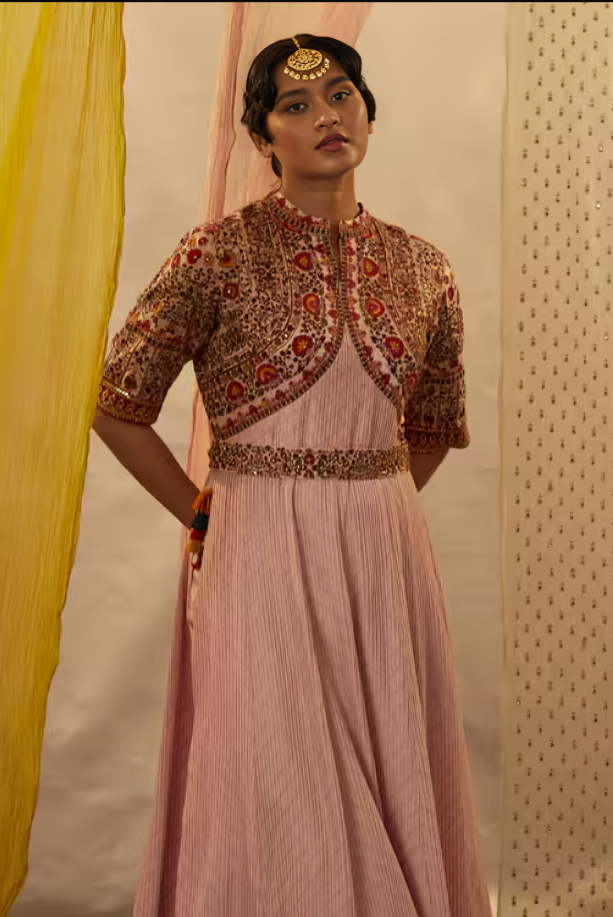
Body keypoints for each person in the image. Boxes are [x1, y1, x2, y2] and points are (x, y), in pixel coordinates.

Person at [93, 33, 491, 917]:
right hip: (258, 542)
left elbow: (431, 429)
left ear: (369, 112)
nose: (326, 117)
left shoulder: (425, 268)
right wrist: (202, 510)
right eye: (295, 105)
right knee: (279, 774)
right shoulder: (216, 255)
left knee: (386, 758)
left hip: (384, 555)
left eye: (341, 95)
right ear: (261, 137)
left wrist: (367, 509)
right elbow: (118, 405)